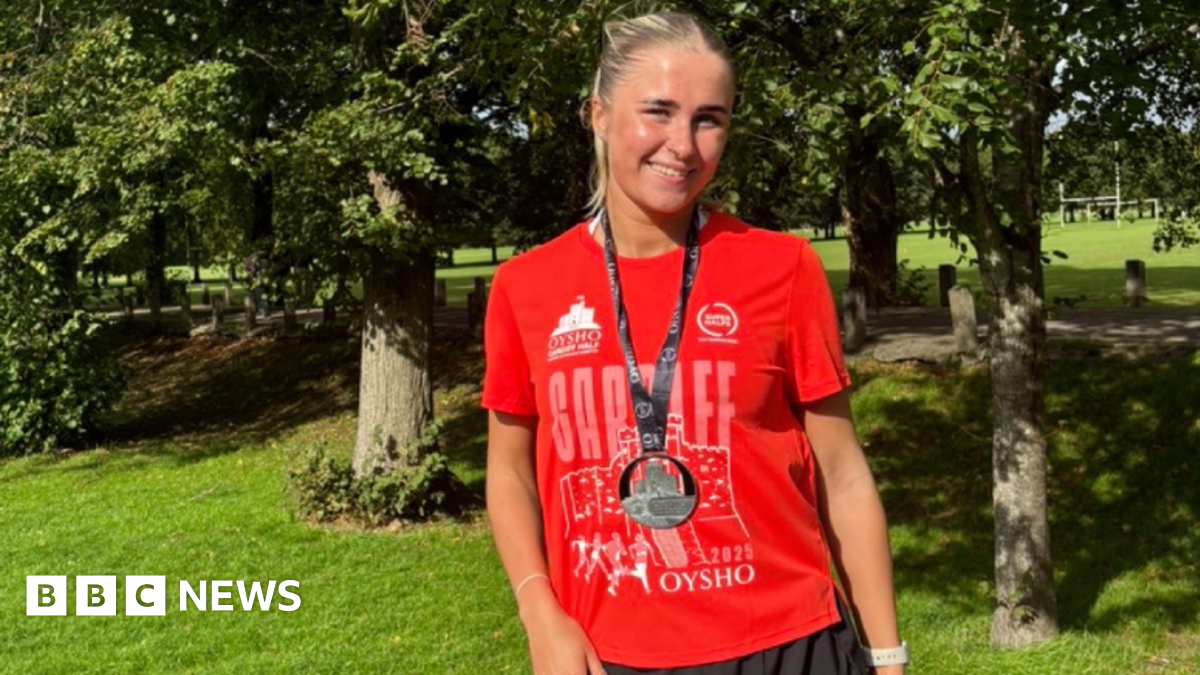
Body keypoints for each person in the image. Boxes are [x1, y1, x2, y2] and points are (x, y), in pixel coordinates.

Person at [483, 11, 906, 675]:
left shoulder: (783, 268)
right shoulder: (524, 288)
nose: (683, 144)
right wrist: (539, 611)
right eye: (658, 111)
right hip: (606, 654)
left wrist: (888, 657)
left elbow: (842, 473)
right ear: (598, 115)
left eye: (709, 118)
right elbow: (509, 472)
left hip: (789, 647)